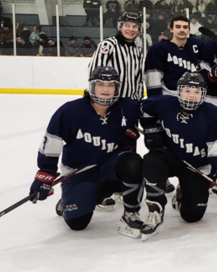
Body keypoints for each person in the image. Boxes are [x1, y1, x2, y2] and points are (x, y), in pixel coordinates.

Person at [30, 66, 143, 232]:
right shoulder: (70, 111)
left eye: (111, 85)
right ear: (91, 86)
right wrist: (46, 172)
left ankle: (131, 213)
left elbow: (159, 112)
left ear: (117, 88)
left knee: (133, 163)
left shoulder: (127, 108)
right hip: (79, 171)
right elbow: (52, 140)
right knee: (78, 223)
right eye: (100, 84)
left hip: (109, 167)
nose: (106, 89)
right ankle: (72, 198)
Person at [126, 73, 217, 239]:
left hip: (196, 166)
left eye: (196, 92)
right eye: (187, 90)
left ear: (203, 94)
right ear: (179, 91)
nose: (191, 96)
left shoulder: (212, 113)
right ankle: (155, 209)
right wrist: (151, 128)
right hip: (170, 157)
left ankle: (181, 195)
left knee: (193, 215)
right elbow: (141, 108)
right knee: (152, 160)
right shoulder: (164, 103)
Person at [88, 11, 145, 101]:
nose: (131, 29)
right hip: (110, 101)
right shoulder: (108, 44)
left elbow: (139, 79)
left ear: (139, 29)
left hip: (131, 102)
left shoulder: (138, 50)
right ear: (120, 27)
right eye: (127, 25)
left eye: (134, 26)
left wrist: (138, 100)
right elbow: (94, 72)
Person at [145, 14, 202, 97]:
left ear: (189, 30)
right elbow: (153, 79)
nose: (182, 30)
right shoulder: (159, 48)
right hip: (169, 98)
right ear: (171, 29)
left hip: (192, 98)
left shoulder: (196, 46)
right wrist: (156, 102)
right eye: (178, 27)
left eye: (185, 27)